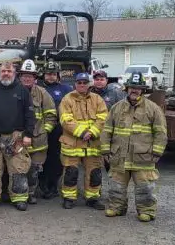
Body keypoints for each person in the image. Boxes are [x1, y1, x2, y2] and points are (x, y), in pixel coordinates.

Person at [101, 72, 168, 222]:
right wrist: (105, 150)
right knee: (116, 185)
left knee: (145, 187)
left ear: (143, 90)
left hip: (143, 156)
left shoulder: (153, 109)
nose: (135, 90)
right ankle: (116, 207)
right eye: (132, 87)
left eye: (138, 88)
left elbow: (161, 132)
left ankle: (147, 211)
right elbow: (106, 130)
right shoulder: (117, 108)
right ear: (127, 88)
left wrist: (157, 152)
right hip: (119, 155)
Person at [0, 61, 35, 211]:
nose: (6, 74)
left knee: (18, 167)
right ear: (0, 73)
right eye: (3, 71)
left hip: (16, 136)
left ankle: (19, 198)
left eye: (9, 71)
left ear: (14, 74)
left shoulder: (23, 91)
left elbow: (30, 114)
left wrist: (28, 135)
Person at [58, 72, 108, 209]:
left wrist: (92, 132)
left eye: (84, 83)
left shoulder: (97, 99)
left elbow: (103, 118)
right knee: (70, 172)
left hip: (92, 143)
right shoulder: (67, 99)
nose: (82, 85)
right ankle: (69, 198)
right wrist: (82, 133)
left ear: (89, 84)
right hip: (72, 143)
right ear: (75, 84)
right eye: (79, 82)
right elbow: (65, 119)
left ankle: (92, 198)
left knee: (94, 173)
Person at [17, 60, 57, 204]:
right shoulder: (14, 92)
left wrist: (44, 131)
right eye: (24, 75)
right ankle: (18, 193)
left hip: (38, 141)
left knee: (33, 170)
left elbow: (51, 114)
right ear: (20, 77)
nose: (27, 78)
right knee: (19, 168)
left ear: (35, 78)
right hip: (19, 139)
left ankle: (31, 193)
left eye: (30, 76)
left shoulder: (42, 93)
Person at [40, 61, 72, 199]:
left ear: (58, 75)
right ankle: (41, 185)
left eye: (53, 74)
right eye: (48, 74)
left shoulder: (66, 89)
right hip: (40, 130)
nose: (51, 77)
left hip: (58, 131)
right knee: (41, 159)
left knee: (56, 159)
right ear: (43, 75)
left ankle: (53, 185)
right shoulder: (37, 88)